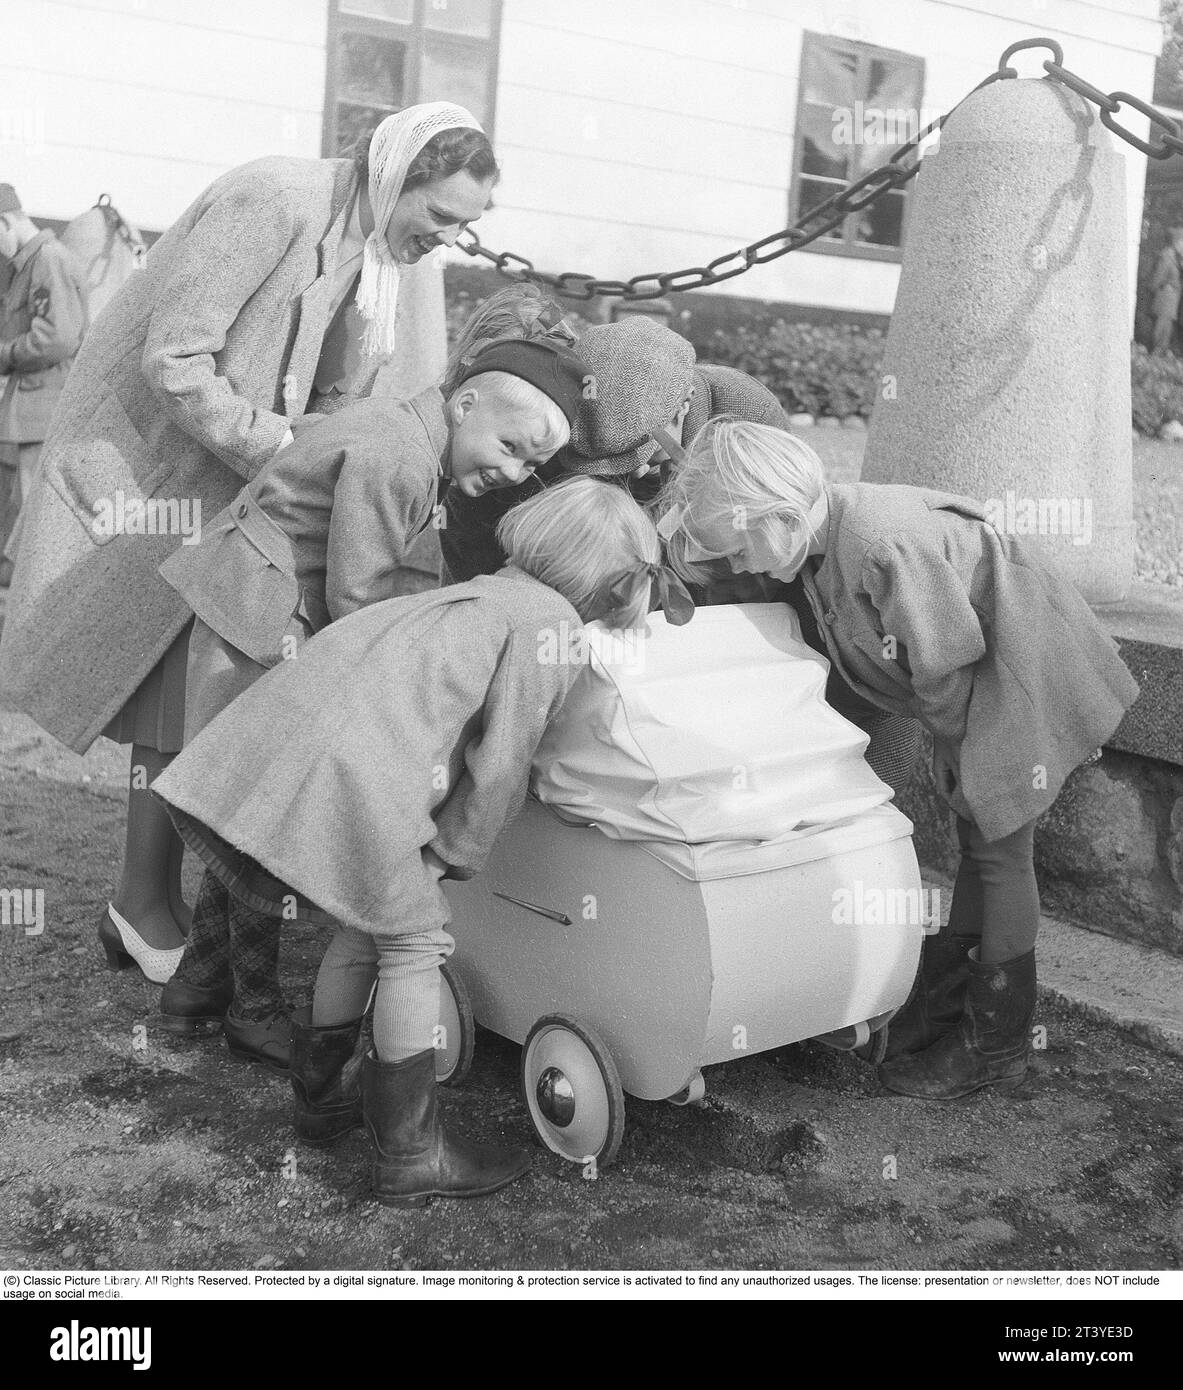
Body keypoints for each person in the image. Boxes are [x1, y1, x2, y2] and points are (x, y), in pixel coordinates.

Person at [0, 104, 497, 980]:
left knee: (197, 696)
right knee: (160, 696)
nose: (448, 240)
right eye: (444, 216)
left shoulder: (387, 248)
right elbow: (175, 361)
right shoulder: (273, 200)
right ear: (399, 177)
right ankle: (141, 904)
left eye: (467, 226)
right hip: (155, 471)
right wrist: (286, 444)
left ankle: (152, 901)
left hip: (240, 492)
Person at [151, 477, 685, 1206]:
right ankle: (411, 1154)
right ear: (620, 579)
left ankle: (325, 1101)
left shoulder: (476, 594)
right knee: (413, 943)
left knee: (364, 928)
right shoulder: (548, 628)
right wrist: (455, 854)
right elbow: (502, 762)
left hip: (308, 760)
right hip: (364, 782)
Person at [658, 420, 1139, 1100]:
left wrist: (953, 752)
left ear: (777, 513)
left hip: (1016, 672)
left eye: (739, 548)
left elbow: (943, 662)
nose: (738, 565)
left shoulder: (881, 543)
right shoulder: (823, 538)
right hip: (984, 673)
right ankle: (944, 1009)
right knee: (977, 845)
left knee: (999, 850)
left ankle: (994, 1045)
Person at [150, 338, 588, 1067]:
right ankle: (253, 1008)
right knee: (262, 815)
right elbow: (358, 596)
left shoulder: (408, 433)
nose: (512, 472)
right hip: (261, 624)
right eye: (510, 446)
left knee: (248, 805)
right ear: (465, 402)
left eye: (530, 466)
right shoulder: (396, 458)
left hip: (260, 611)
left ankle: (198, 985)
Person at [442, 314, 923, 800]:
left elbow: (788, 544)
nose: (627, 475)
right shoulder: (564, 427)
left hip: (761, 599)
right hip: (627, 628)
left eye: (635, 456)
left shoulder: (743, 408)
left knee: (849, 666)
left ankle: (861, 801)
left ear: (682, 408)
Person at [0, 184, 88, 585]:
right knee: (21, 518)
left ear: (5, 222)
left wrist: (5, 353)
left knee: (34, 523)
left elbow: (57, 337)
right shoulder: (29, 264)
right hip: (28, 413)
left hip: (44, 412)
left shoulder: (47, 259)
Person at [1150, 223, 1183, 355]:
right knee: (1162, 325)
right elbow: (1159, 276)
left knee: (1167, 326)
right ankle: (1156, 353)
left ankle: (1161, 352)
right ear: (1177, 242)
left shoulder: (1177, 258)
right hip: (1165, 295)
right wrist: (1155, 288)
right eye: (1182, 242)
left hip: (1172, 298)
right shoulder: (1167, 256)